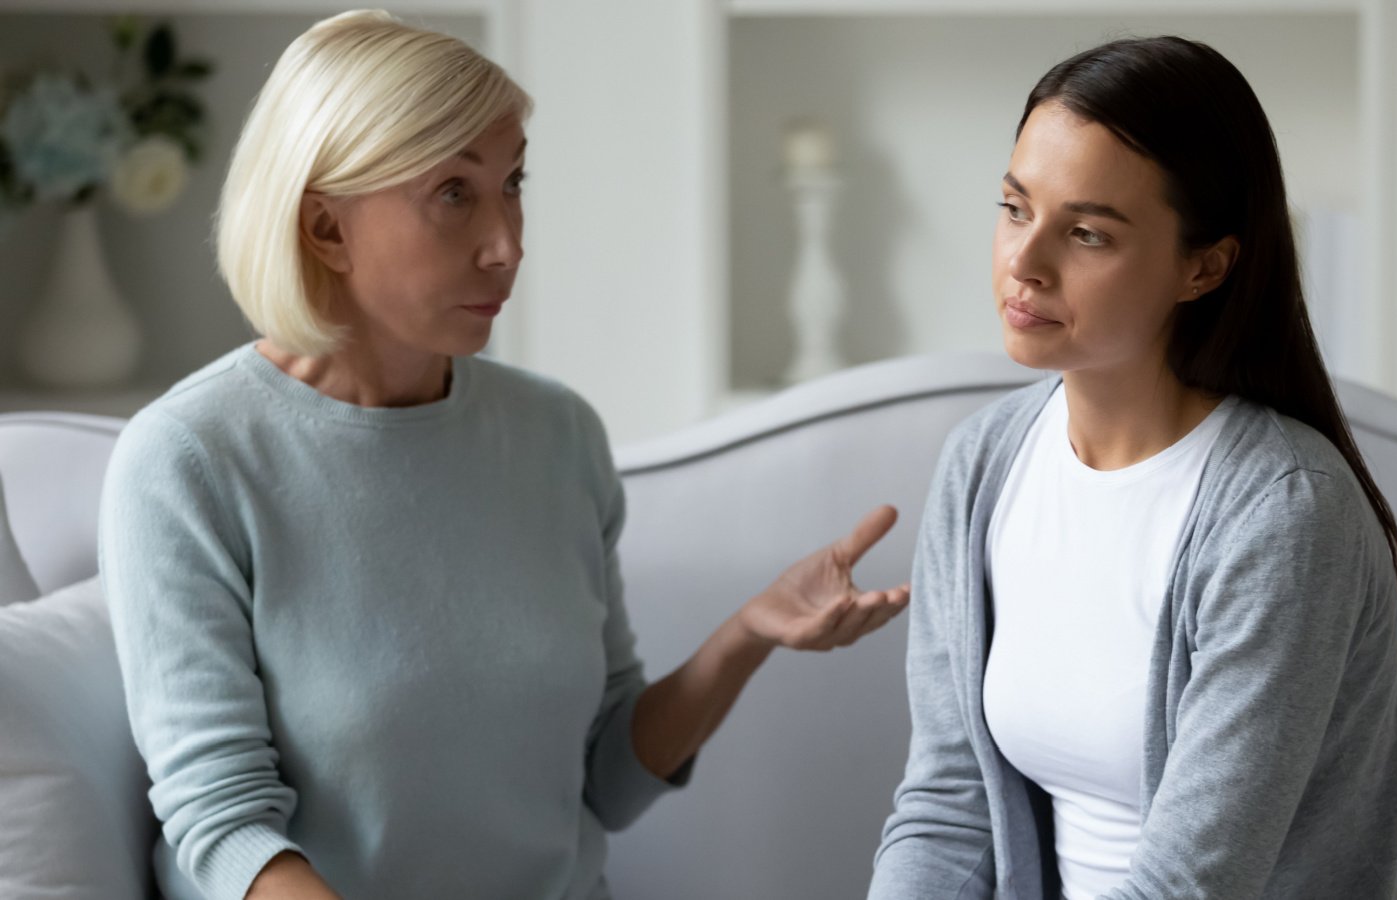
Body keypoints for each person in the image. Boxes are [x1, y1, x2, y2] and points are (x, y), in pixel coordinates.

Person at [98, 11, 909, 900]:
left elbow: (602, 779)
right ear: (326, 228)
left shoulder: (557, 437)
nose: (507, 244)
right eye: (454, 193)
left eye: (512, 183)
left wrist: (749, 634)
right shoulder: (187, 462)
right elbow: (223, 828)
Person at [868, 36, 1397, 900]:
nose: (1026, 262)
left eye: (1085, 233)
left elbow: (1192, 885)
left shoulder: (1284, 515)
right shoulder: (982, 465)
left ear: (1204, 266)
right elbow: (947, 809)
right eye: (1015, 208)